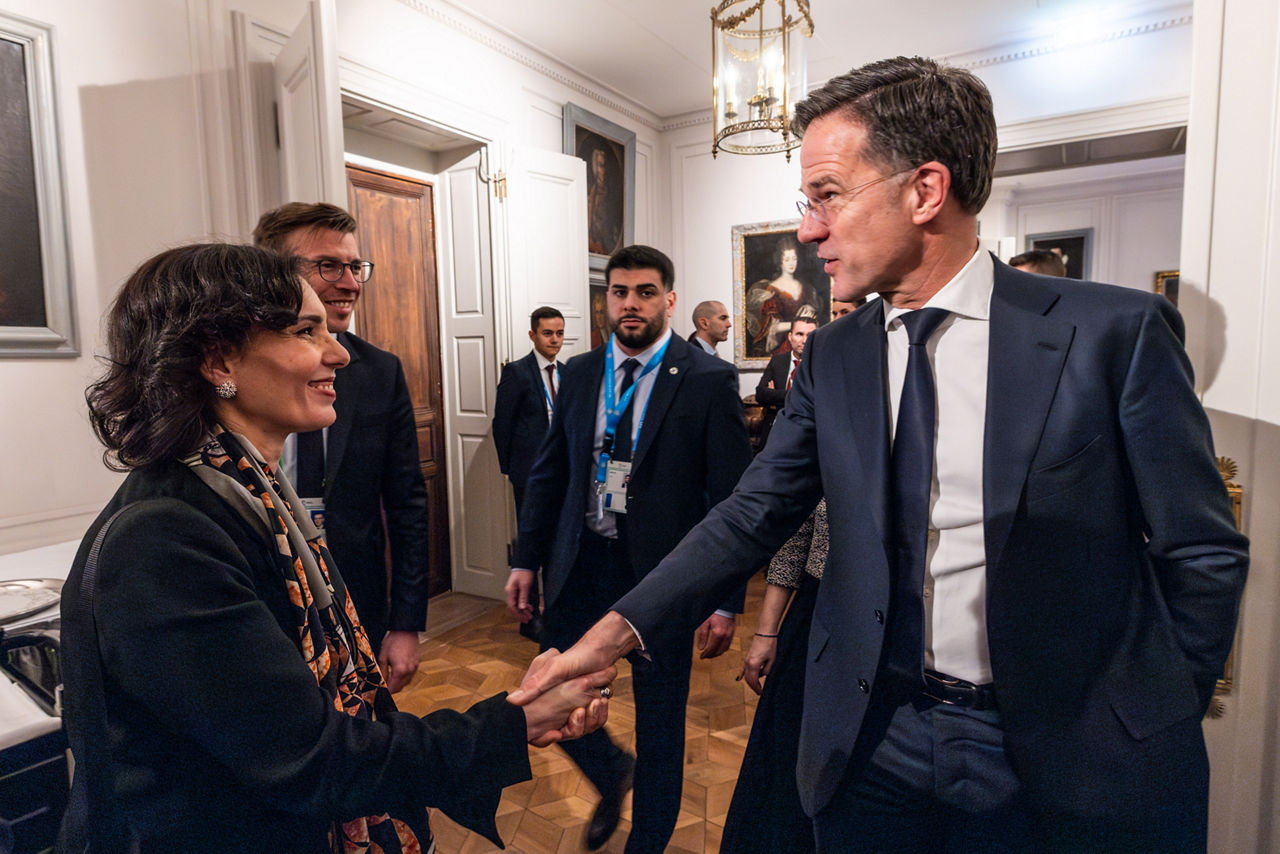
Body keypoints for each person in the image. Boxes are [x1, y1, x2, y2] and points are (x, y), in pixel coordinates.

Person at [509, 56, 1248, 853]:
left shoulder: (1113, 334)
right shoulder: (836, 354)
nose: (807, 227)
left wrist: (1156, 711)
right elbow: (752, 514)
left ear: (925, 190)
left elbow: (1202, 550)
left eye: (827, 196)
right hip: (873, 740)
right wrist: (609, 636)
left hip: (1065, 756)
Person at [60, 243, 614, 853]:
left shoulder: (248, 491)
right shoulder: (164, 539)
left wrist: (511, 714)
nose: (339, 353)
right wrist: (517, 721)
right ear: (219, 358)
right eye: (306, 330)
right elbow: (311, 760)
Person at [505, 245, 752, 852]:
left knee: (661, 722)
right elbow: (550, 474)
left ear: (669, 299)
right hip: (581, 564)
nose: (630, 304)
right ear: (606, 299)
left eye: (645, 292)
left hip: (664, 578)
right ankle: (612, 770)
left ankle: (648, 841)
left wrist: (725, 601)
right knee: (549, 695)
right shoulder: (581, 373)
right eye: (620, 292)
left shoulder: (707, 379)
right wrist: (523, 558)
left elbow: (732, 499)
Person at [253, 202, 427, 692]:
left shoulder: (379, 371)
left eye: (355, 266)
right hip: (265, 595)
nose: (349, 282)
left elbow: (407, 499)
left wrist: (407, 621)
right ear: (273, 273)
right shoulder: (242, 375)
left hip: (356, 593)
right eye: (328, 265)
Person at [722, 498, 827, 854]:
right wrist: (766, 632)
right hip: (817, 612)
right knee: (783, 763)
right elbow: (797, 532)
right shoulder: (834, 440)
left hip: (896, 623)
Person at [493, 306, 565, 641]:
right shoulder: (517, 373)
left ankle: (557, 609)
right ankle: (528, 616)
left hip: (563, 474)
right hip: (530, 475)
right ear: (533, 335)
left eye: (560, 333)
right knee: (531, 542)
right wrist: (512, 469)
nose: (554, 339)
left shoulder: (568, 372)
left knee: (559, 541)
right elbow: (502, 424)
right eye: (548, 333)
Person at [746, 239, 822, 356]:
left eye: (794, 259)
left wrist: (809, 310)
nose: (791, 263)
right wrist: (798, 322)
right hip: (782, 345)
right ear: (780, 262)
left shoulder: (806, 288)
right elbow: (771, 327)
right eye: (787, 260)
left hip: (805, 343)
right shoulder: (773, 290)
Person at [755, 308, 817, 444]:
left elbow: (815, 401)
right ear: (790, 337)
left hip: (808, 432)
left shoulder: (821, 364)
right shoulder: (777, 360)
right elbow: (760, 394)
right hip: (775, 428)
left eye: (810, 335)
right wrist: (795, 395)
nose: (804, 340)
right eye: (799, 334)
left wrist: (775, 395)